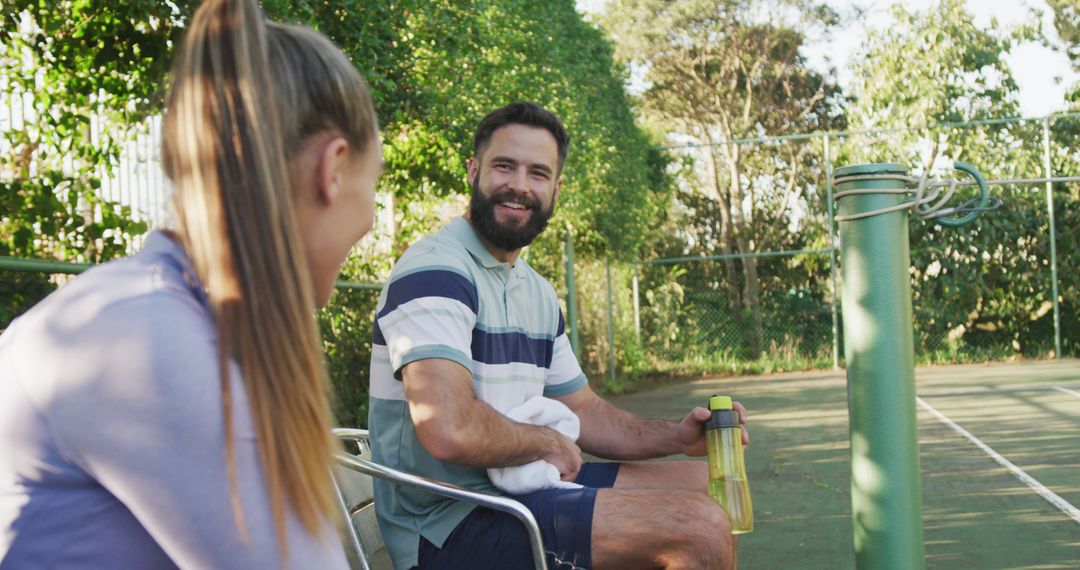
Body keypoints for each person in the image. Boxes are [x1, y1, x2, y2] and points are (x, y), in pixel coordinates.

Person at [0, 0, 382, 566]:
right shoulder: (149, 350)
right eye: (374, 183)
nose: (371, 215)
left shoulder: (156, 313)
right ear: (333, 169)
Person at [369, 102, 747, 570]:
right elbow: (450, 429)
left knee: (706, 487)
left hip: (524, 492)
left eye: (538, 173)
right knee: (698, 527)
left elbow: (584, 410)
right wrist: (548, 442)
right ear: (474, 170)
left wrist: (676, 435)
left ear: (556, 188)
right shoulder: (435, 270)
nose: (520, 186)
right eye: (504, 166)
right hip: (447, 525)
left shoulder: (537, 292)